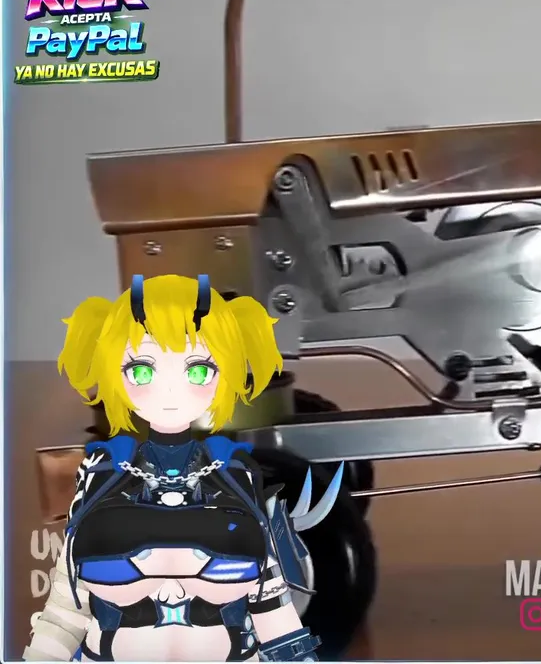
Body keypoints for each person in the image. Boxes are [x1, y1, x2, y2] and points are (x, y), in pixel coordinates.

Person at [24, 275, 342, 662]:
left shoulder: (236, 475)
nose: (171, 391)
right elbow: (63, 615)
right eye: (142, 371)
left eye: (198, 371)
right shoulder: (101, 475)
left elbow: (273, 611)